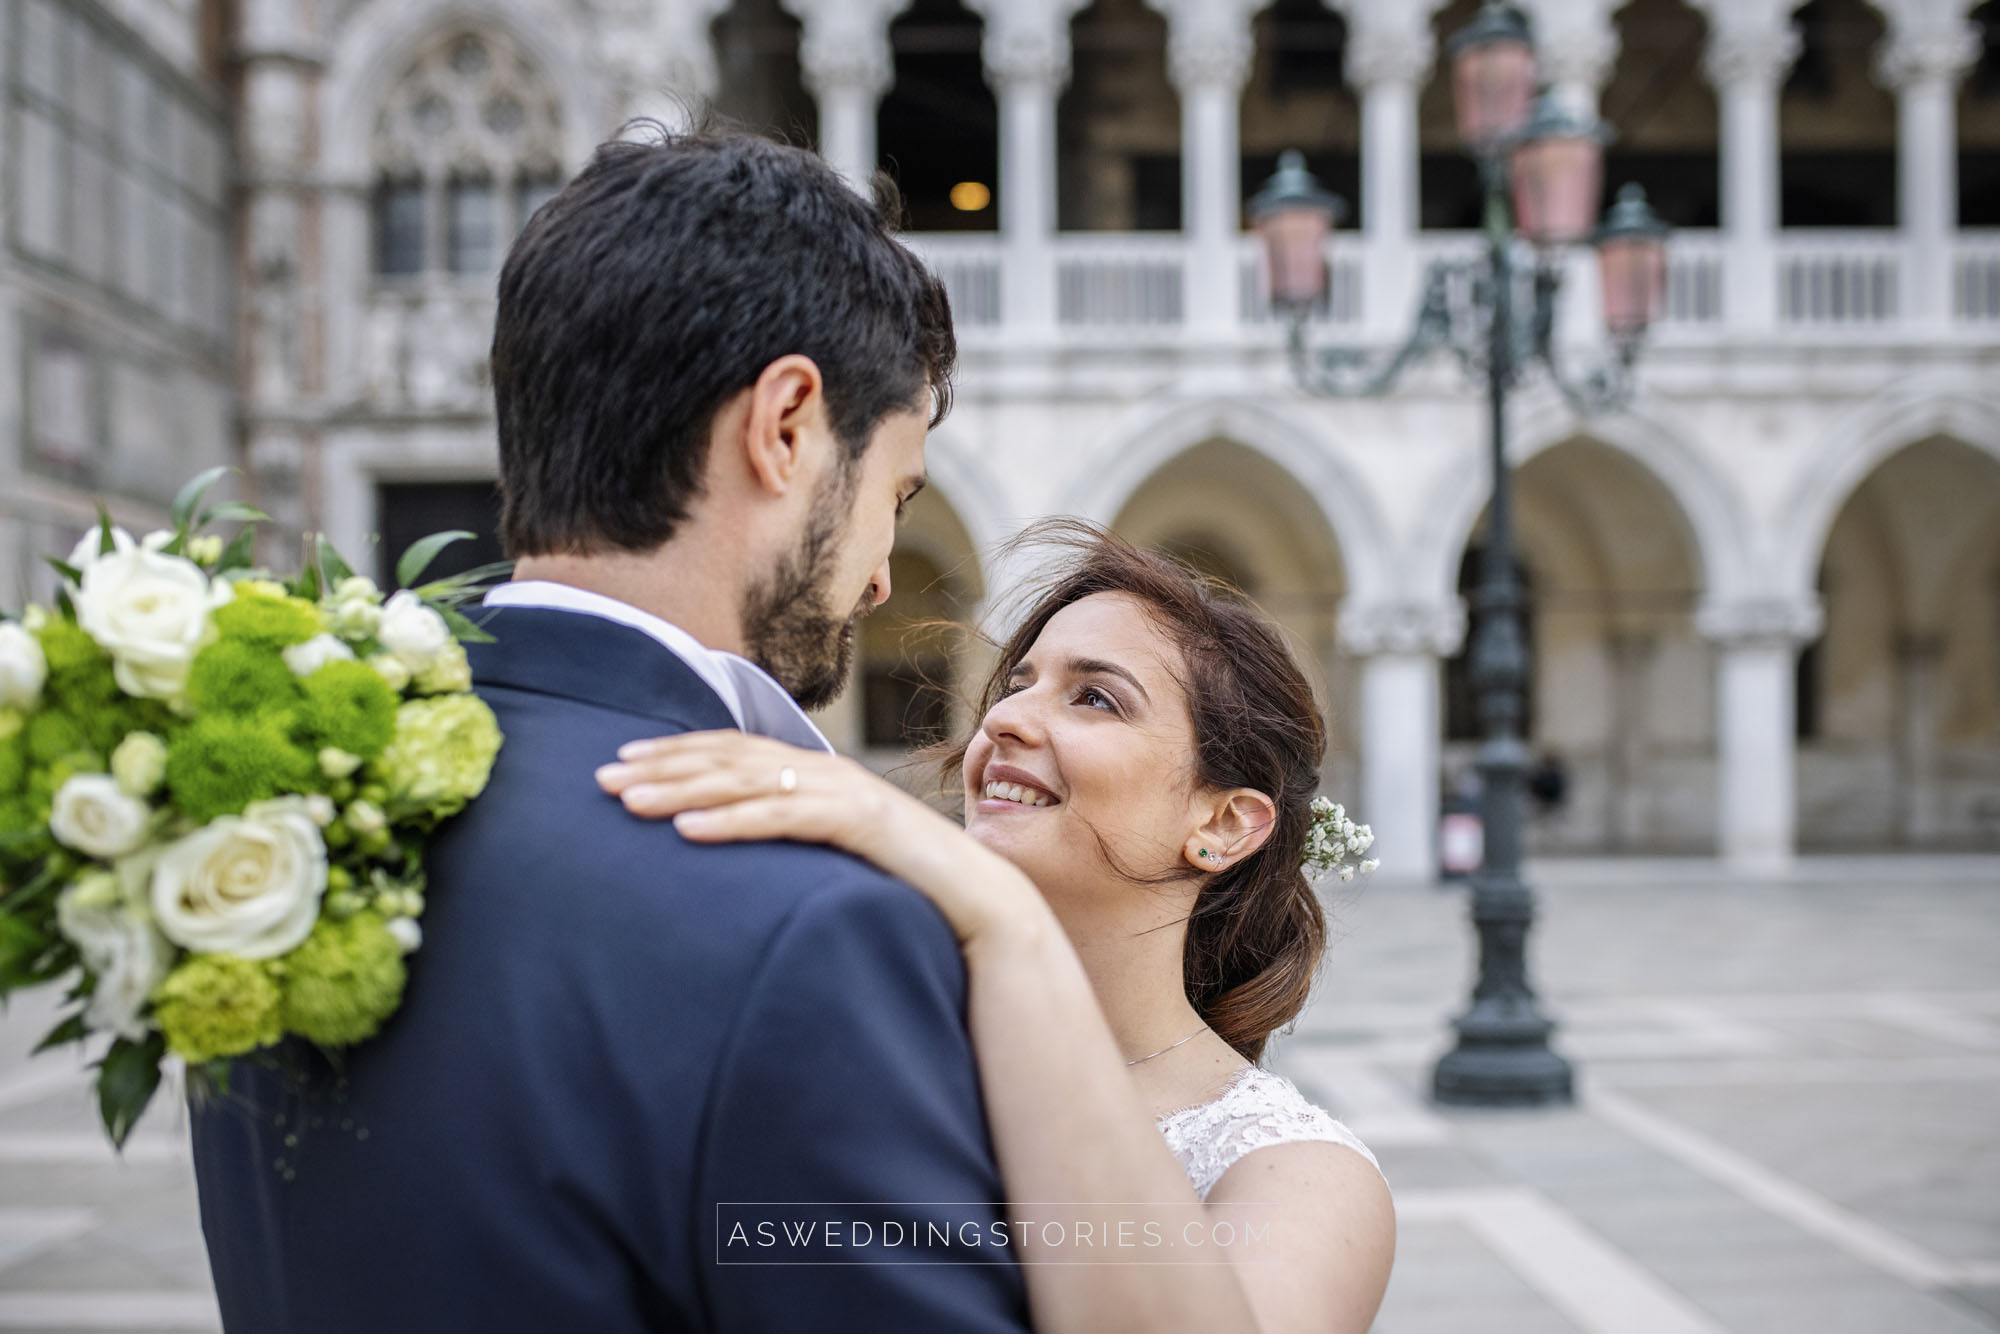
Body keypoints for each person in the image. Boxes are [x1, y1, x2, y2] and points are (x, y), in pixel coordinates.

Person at [189, 126, 1034, 1332]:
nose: (883, 576)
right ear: (786, 424)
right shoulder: (807, 923)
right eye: (891, 496)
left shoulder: (270, 837)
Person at [598, 523, 1397, 1334]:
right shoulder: (857, 1035)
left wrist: (1011, 931)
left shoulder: (1296, 1172)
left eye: (1096, 697)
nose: (1006, 719)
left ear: (1225, 823)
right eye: (1017, 684)